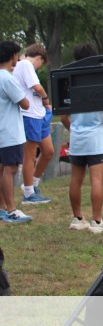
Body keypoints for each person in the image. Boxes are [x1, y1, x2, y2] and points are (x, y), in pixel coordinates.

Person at [60, 44, 103, 233]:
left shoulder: (70, 82)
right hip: (96, 136)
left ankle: (78, 218)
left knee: (76, 179)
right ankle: (97, 220)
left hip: (77, 137)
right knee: (97, 179)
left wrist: (74, 130)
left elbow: (63, 117)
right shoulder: (99, 82)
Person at [13, 44, 53, 204]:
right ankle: (29, 193)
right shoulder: (26, 65)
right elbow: (37, 87)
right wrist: (46, 98)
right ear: (39, 58)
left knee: (48, 151)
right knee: (30, 156)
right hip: (29, 115)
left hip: (38, 114)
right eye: (41, 64)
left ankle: (33, 184)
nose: (39, 67)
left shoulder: (23, 63)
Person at [0, 41, 32, 224]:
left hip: (2, 130)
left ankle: (2, 207)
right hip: (10, 132)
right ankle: (12, 210)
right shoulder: (7, 78)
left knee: (2, 169)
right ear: (12, 56)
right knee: (10, 169)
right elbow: (24, 103)